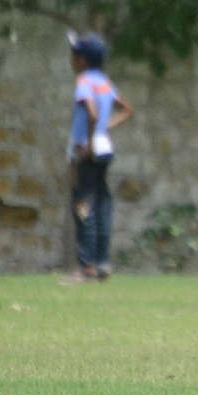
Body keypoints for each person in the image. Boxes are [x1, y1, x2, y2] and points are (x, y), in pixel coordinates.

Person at [64, 32, 133, 283]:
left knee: (83, 205)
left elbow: (92, 113)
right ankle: (103, 263)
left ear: (81, 60)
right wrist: (104, 129)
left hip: (87, 149)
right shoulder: (104, 82)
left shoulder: (84, 81)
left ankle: (86, 268)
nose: (71, 59)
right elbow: (126, 110)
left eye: (74, 55)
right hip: (105, 148)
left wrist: (91, 144)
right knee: (102, 204)